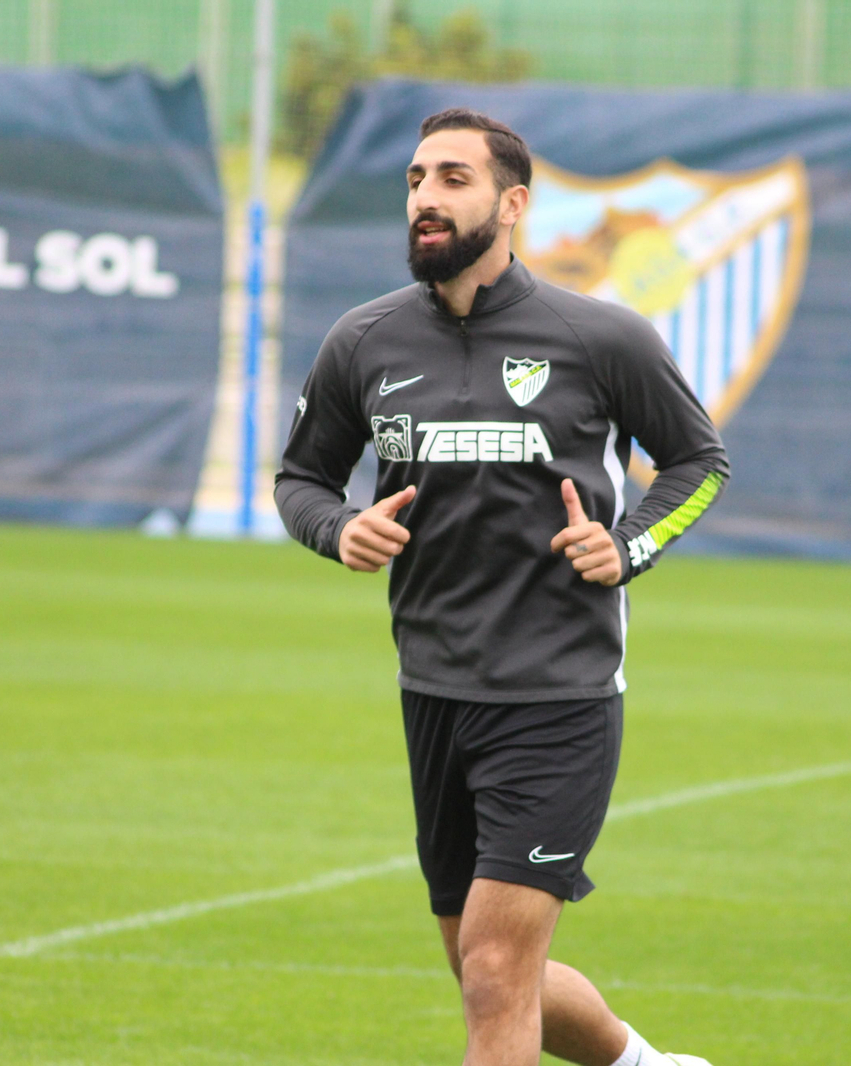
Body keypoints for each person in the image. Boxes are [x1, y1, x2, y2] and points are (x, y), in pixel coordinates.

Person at [275, 108, 728, 1066]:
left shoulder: (601, 337)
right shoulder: (363, 341)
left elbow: (698, 462)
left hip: (557, 698)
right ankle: (644, 1065)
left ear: (512, 203)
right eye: (414, 181)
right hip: (433, 692)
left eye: (452, 179)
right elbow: (300, 480)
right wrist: (337, 528)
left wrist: (627, 547)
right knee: (480, 965)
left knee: (492, 968)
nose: (425, 200)